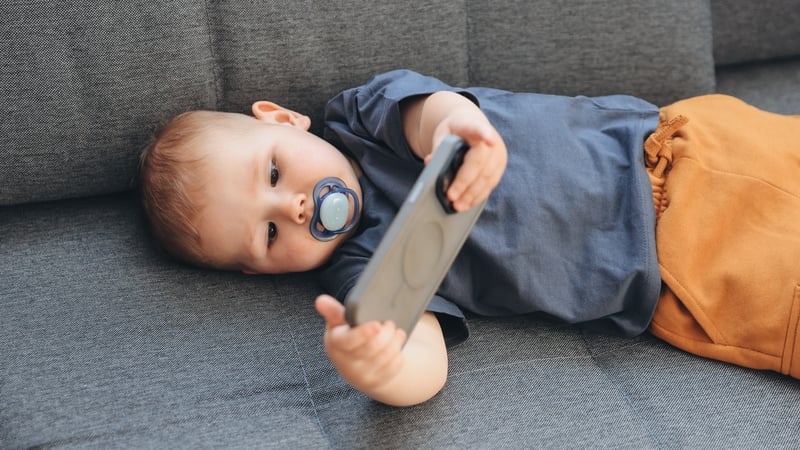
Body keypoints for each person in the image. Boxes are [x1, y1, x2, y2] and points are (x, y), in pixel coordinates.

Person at [139, 69, 800, 407]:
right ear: (262, 272)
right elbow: (422, 356)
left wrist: (457, 130)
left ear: (283, 119)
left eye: (274, 172)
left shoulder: (362, 117)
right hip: (677, 265)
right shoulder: (364, 271)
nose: (294, 205)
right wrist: (382, 368)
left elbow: (430, 112)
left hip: (677, 144)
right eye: (268, 233)